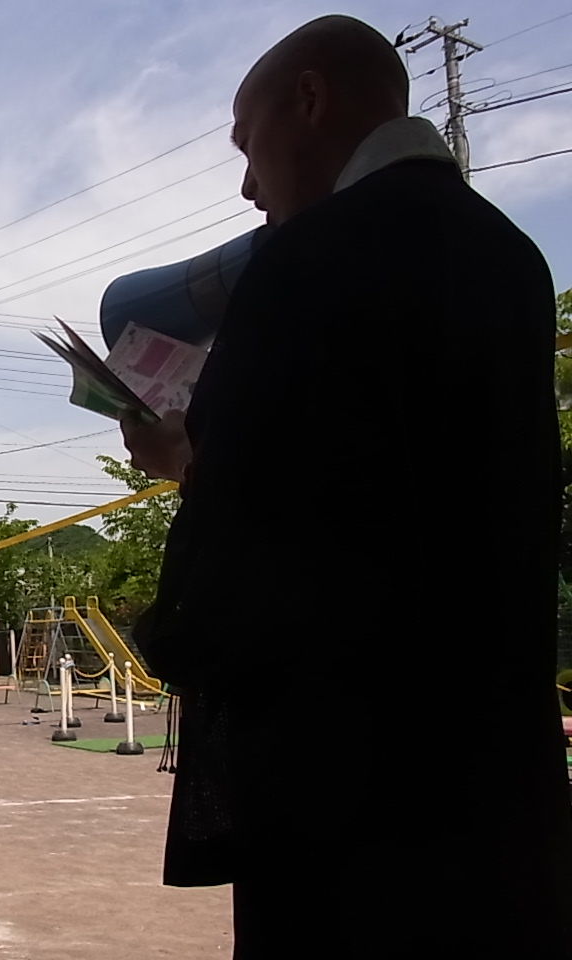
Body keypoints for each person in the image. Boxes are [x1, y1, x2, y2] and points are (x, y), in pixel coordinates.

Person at [120, 15, 572, 957]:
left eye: (247, 147)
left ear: (310, 101)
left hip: (350, 790)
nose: (248, 187)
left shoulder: (307, 261)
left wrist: (180, 462)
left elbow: (263, 549)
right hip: (496, 764)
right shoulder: (514, 261)